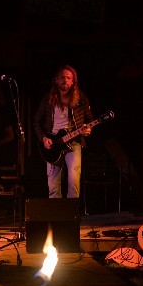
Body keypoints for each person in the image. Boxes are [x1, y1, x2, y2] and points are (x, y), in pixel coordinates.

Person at [34, 64, 93, 199]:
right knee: (53, 185)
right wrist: (43, 138)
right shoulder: (48, 98)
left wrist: (88, 129)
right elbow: (36, 121)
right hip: (53, 144)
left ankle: (72, 216)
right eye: (62, 77)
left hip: (74, 143)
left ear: (73, 81)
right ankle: (56, 216)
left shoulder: (80, 98)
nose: (65, 80)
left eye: (68, 78)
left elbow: (90, 119)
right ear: (56, 80)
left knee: (73, 182)